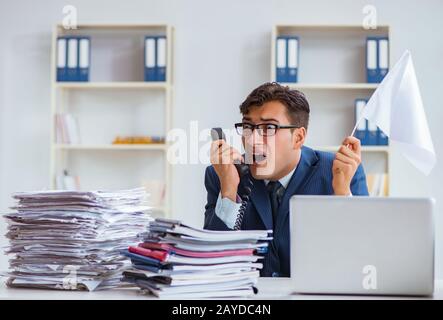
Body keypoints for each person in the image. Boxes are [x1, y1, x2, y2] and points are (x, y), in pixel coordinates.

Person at [204, 82, 368, 277]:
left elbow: (362, 260)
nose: (252, 140)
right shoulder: (222, 175)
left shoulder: (340, 172)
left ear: (298, 138)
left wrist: (341, 195)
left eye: (269, 128)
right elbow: (212, 264)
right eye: (248, 126)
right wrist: (229, 190)